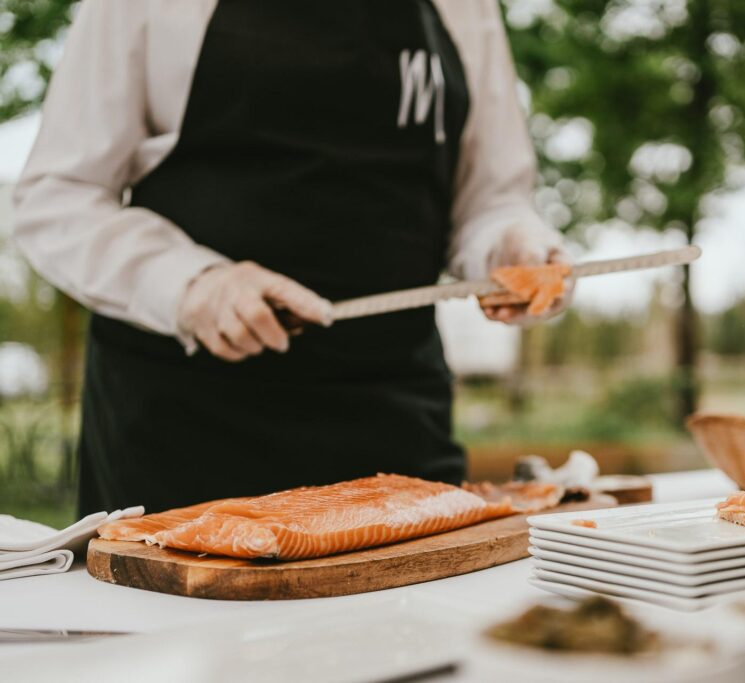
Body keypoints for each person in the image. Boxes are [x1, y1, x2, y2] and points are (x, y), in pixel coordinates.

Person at [13, 0, 569, 515]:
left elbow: (489, 199)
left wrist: (508, 246)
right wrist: (192, 286)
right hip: (185, 429)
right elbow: (57, 197)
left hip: (395, 418)